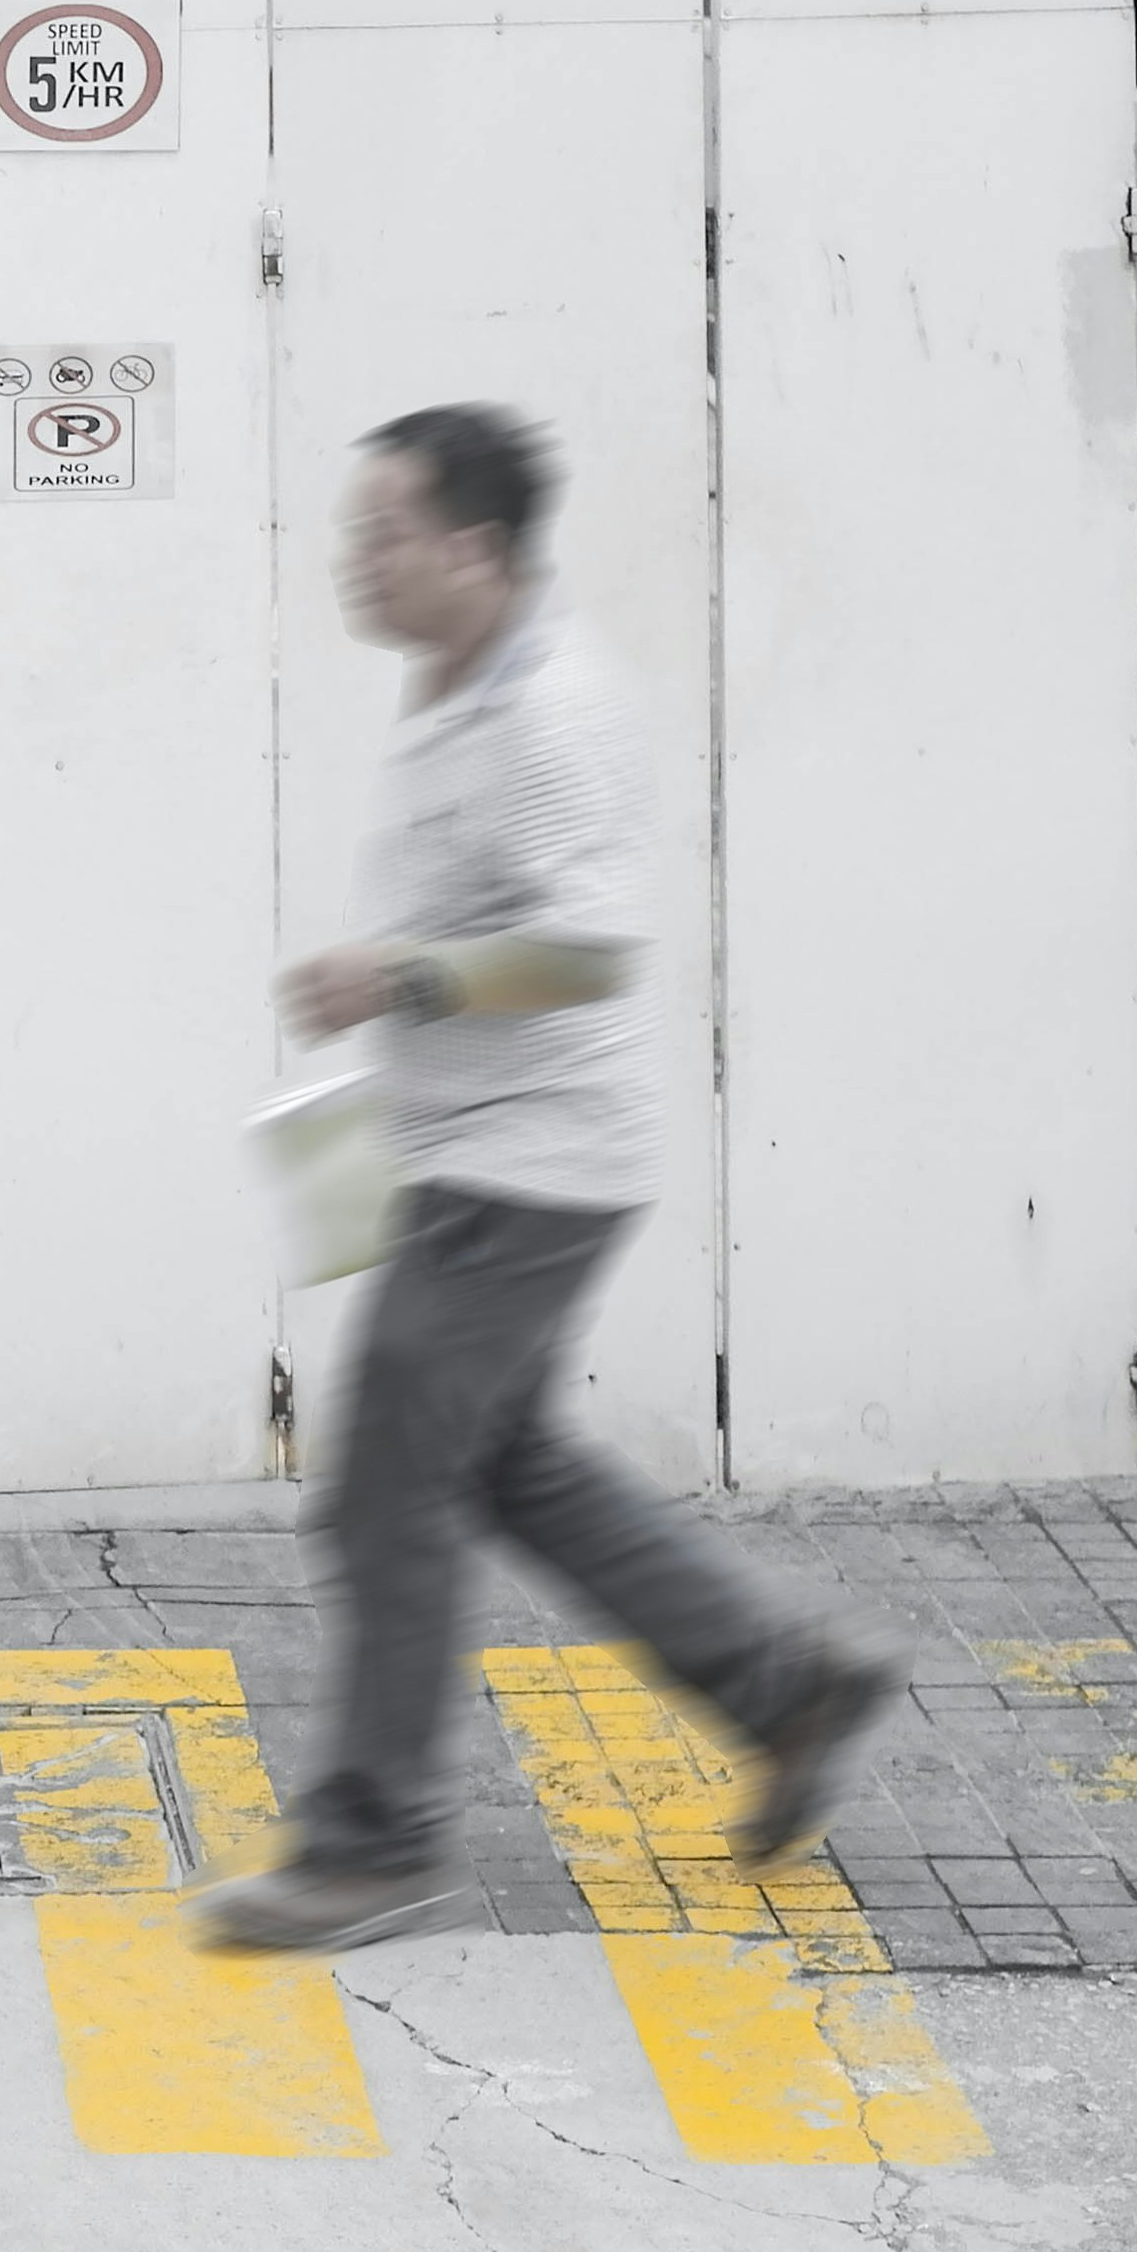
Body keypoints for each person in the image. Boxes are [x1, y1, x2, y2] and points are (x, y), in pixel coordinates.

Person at [185, 403, 905, 1956]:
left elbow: (590, 949)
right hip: (474, 1156)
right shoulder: (462, 685)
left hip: (531, 1172)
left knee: (387, 1490)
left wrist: (401, 977)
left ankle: (375, 1846)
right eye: (351, 529)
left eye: (382, 531)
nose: (353, 558)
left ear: (476, 548)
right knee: (506, 1468)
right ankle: (786, 1688)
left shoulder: (552, 713)